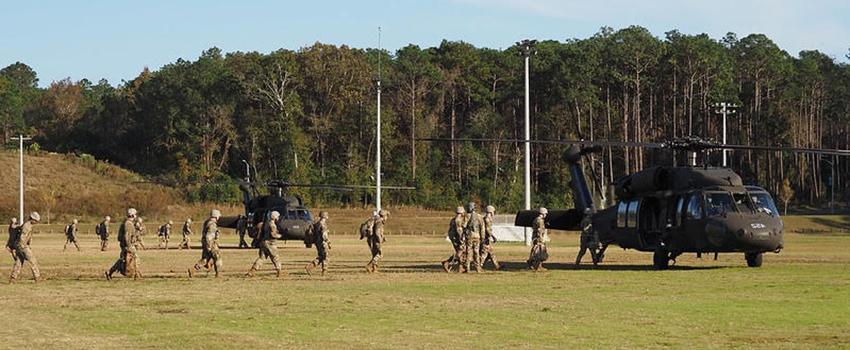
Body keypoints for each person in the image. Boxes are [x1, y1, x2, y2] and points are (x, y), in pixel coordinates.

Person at [106, 208, 142, 280]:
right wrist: (129, 246)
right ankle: (136, 275)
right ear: (132, 215)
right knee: (135, 259)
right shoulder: (128, 224)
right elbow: (127, 235)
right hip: (127, 245)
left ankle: (110, 272)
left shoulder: (127, 223)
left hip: (126, 245)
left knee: (123, 260)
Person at [246, 211, 283, 277]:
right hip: (270, 243)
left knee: (261, 258)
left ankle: (252, 271)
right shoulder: (272, 225)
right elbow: (273, 235)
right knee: (275, 257)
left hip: (263, 242)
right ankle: (279, 271)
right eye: (277, 216)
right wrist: (280, 236)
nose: (278, 218)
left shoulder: (266, 223)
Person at [189, 210, 223, 278]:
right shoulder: (212, 224)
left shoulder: (207, 222)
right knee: (218, 257)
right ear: (216, 216)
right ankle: (218, 273)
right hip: (211, 243)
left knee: (205, 259)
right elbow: (209, 235)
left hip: (205, 243)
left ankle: (193, 270)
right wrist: (209, 246)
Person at [10, 212, 42, 282]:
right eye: (36, 221)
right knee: (33, 261)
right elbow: (22, 238)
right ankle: (37, 277)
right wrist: (24, 247)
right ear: (32, 219)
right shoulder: (27, 226)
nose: (36, 222)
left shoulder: (27, 225)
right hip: (22, 246)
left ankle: (13, 278)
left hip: (19, 246)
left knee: (19, 262)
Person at [441, 206, 466, 273]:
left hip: (453, 238)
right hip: (457, 238)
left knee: (461, 252)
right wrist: (462, 240)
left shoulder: (453, 219)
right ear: (461, 212)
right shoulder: (458, 220)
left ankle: (461, 267)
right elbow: (459, 231)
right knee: (461, 251)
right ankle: (447, 262)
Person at [306, 211, 331, 275]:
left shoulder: (317, 224)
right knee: (326, 256)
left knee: (321, 256)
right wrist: (328, 242)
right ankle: (324, 270)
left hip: (317, 242)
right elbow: (324, 234)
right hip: (323, 242)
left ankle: (310, 266)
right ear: (324, 216)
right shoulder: (323, 224)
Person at [463, 202, 484, 273]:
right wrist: (483, 237)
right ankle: (478, 268)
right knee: (476, 252)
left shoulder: (467, 216)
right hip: (477, 236)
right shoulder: (479, 216)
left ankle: (468, 268)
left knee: (468, 252)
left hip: (470, 236)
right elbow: (482, 228)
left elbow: (464, 226)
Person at [527, 207, 550, 271]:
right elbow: (539, 230)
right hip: (539, 238)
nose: (546, 215)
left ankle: (532, 263)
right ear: (543, 213)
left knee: (535, 251)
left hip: (536, 237)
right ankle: (538, 266)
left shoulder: (536, 219)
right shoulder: (540, 220)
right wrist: (541, 238)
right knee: (540, 252)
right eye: (545, 213)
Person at [480, 205, 500, 270]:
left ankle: (497, 266)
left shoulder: (486, 218)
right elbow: (487, 229)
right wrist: (493, 236)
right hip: (485, 238)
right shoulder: (487, 219)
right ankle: (480, 265)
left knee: (491, 253)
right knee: (484, 253)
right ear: (491, 212)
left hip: (486, 238)